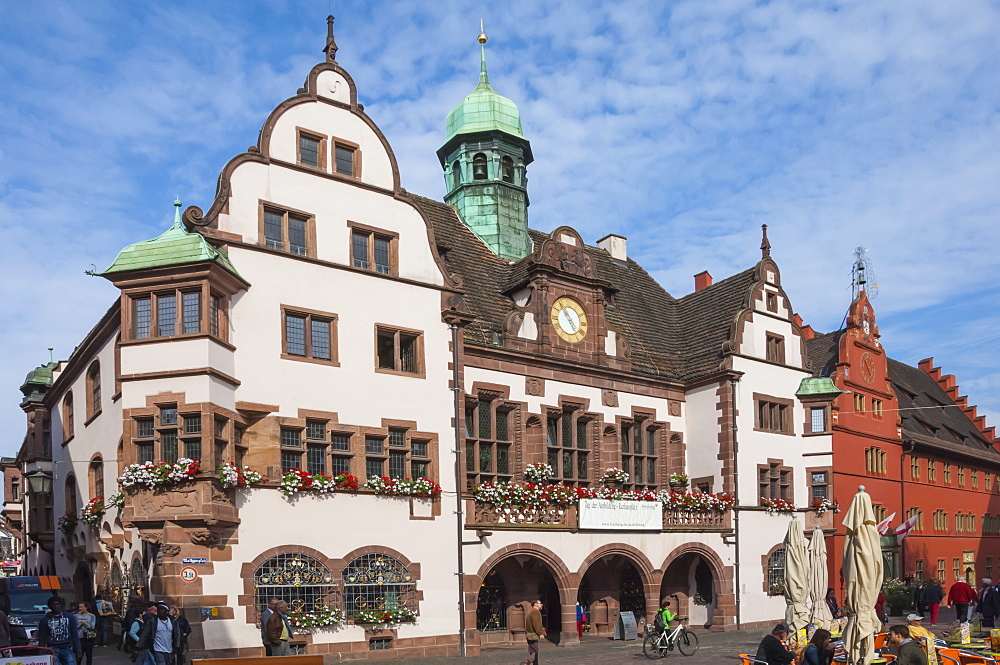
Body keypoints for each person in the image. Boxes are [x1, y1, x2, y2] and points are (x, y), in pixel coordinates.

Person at [37, 596, 82, 665]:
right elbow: (42, 637)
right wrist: (41, 651)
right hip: (52, 648)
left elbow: (74, 633)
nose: (56, 606)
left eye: (58, 604)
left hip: (67, 647)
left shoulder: (70, 617)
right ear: (50, 606)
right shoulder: (44, 620)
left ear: (61, 605)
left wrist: (78, 649)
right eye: (53, 604)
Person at [522, 599, 546, 665]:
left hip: (529, 634)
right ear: (535, 604)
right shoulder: (535, 612)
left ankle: (533, 663)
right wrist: (540, 633)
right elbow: (536, 624)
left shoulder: (531, 612)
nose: (541, 605)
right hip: (533, 635)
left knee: (532, 650)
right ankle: (528, 661)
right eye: (540, 603)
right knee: (535, 651)